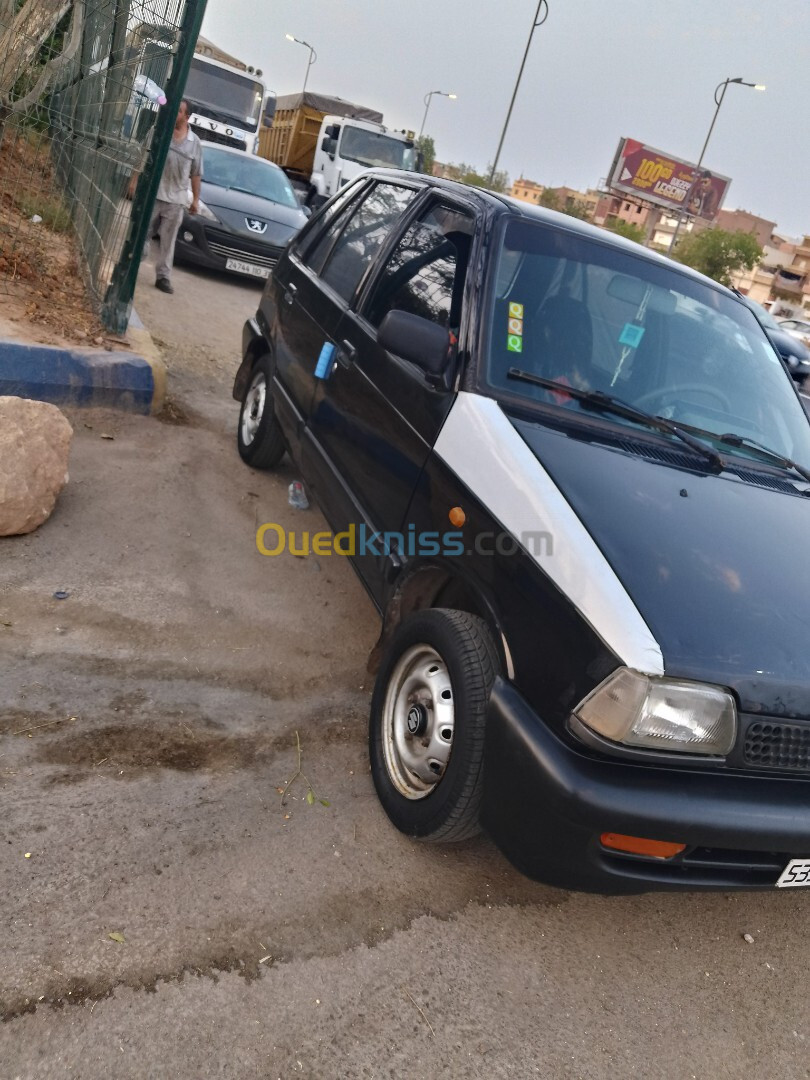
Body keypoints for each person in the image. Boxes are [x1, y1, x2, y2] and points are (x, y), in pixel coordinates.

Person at [144, 99, 203, 294]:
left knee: (168, 242)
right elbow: (143, 154)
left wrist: (195, 199)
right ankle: (131, 263)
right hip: (154, 193)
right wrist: (135, 181)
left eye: (179, 112)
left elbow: (196, 173)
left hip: (176, 199)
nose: (174, 114)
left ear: (187, 117)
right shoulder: (159, 131)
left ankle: (163, 277)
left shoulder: (194, 144)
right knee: (142, 234)